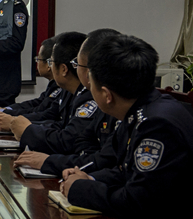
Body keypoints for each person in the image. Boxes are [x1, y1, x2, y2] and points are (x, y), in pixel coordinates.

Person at [61, 35, 193, 219]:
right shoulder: (144, 108)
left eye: (91, 84)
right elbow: (128, 171)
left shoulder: (157, 125)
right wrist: (88, 178)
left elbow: (136, 202)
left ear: (107, 95)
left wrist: (80, 189)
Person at [14, 29, 121, 175]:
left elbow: (104, 161)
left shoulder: (95, 98)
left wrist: (50, 161)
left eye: (78, 64)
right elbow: (82, 141)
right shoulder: (77, 93)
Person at [0, 37, 59, 117]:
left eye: (38, 59)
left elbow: (40, 112)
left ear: (49, 64)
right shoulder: (53, 85)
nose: (37, 62)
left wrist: (4, 112)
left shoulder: (61, 89)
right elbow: (36, 103)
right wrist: (5, 109)